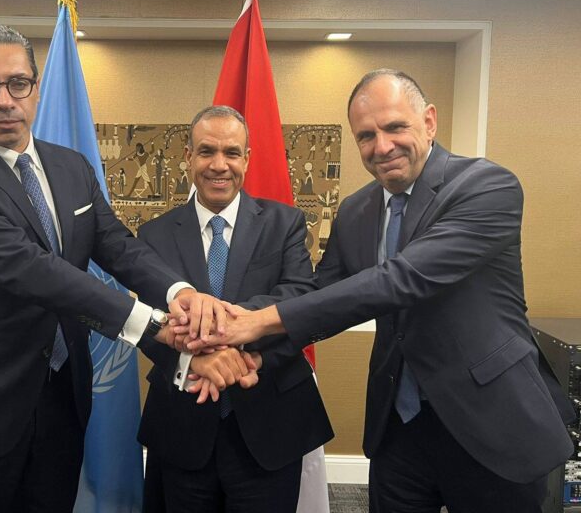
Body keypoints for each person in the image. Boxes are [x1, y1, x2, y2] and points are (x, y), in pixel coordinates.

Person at [0, 25, 240, 513]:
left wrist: (180, 292)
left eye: (18, 83)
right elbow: (29, 268)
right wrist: (155, 327)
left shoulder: (72, 167)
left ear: (35, 87)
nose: (5, 100)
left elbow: (116, 245)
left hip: (59, 395)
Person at [193, 70, 575, 512]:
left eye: (395, 127)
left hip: (492, 421)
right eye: (366, 136)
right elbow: (322, 293)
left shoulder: (486, 186)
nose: (382, 146)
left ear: (429, 121)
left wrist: (258, 321)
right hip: (399, 426)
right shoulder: (356, 211)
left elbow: (402, 279)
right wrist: (254, 349)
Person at [136, 106, 333, 513]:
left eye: (231, 152)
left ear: (248, 158)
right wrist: (193, 359)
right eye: (207, 151)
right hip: (183, 424)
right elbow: (150, 323)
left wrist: (230, 336)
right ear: (188, 156)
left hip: (270, 421)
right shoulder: (154, 235)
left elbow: (300, 296)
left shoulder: (285, 223)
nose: (219, 165)